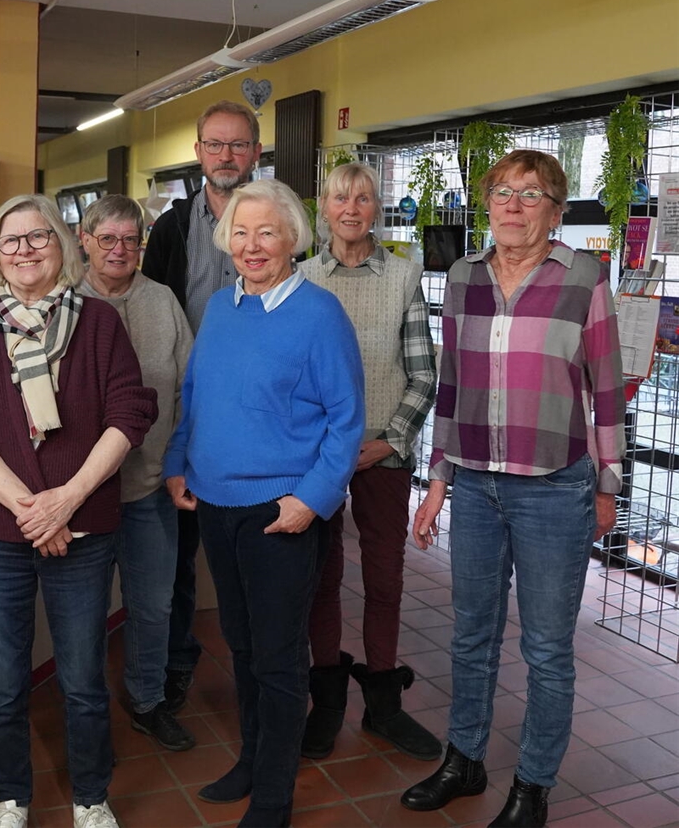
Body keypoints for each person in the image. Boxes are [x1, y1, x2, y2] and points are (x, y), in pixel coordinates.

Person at [402, 150, 625, 828]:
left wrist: (609, 483)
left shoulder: (584, 279)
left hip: (554, 489)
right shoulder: (464, 277)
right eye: (501, 191)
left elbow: (607, 394)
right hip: (472, 483)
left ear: (556, 211)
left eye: (531, 194)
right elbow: (450, 389)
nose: (512, 204)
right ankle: (463, 757)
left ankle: (533, 784)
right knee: (471, 635)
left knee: (547, 648)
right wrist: (437, 480)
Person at [0, 194, 157, 828]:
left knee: (84, 680)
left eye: (39, 238)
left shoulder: (100, 322)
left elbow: (129, 414)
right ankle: (10, 797)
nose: (26, 250)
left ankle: (91, 797)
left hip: (83, 524)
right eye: (11, 241)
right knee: (5, 684)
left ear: (63, 247)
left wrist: (66, 502)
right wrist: (35, 510)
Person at [165, 179, 365, 827]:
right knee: (243, 646)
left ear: (291, 238)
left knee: (280, 659)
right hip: (216, 505)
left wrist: (312, 500)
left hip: (282, 511)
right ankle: (252, 759)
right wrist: (176, 463)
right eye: (242, 233)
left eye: (267, 232)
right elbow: (194, 393)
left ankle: (274, 797)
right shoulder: (222, 308)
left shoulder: (320, 313)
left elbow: (346, 419)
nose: (253, 246)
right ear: (228, 240)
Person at [299, 162, 441, 762]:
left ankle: (384, 704)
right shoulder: (300, 278)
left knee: (384, 578)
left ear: (376, 208)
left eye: (363, 197)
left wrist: (389, 440)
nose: (351, 207)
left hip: (383, 449)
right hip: (316, 454)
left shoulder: (405, 276)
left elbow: (423, 374)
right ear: (323, 209)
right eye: (339, 197)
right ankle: (327, 701)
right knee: (321, 578)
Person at [142, 99, 262, 713]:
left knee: (258, 556)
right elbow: (154, 318)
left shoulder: (278, 224)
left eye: (237, 145)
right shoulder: (169, 229)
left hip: (263, 422)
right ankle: (175, 664)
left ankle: (262, 676)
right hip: (188, 420)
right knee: (179, 555)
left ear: (256, 154)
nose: (226, 156)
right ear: (198, 154)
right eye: (215, 145)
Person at [77, 194, 195, 752]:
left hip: (150, 486)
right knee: (84, 611)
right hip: (80, 494)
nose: (120, 250)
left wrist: (180, 461)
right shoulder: (62, 301)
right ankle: (87, 706)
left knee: (154, 605)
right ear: (85, 241)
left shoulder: (164, 301)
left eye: (131, 240)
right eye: (108, 239)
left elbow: (187, 389)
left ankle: (147, 701)